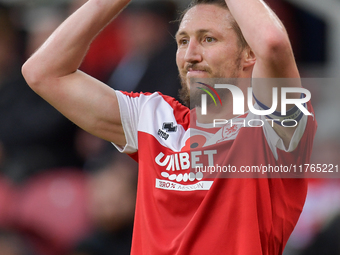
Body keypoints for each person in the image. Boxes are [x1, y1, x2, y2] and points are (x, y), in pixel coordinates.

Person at [22, 0, 317, 254]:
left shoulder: (275, 125)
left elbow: (272, 42)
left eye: (208, 39)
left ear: (249, 54)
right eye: (183, 41)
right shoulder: (157, 117)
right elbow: (42, 72)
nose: (190, 55)